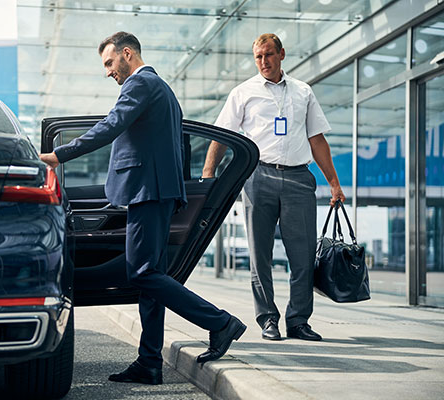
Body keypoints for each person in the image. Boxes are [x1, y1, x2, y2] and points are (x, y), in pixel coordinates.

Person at [39, 32, 246, 385]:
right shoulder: (162, 90)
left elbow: (110, 126)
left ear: (127, 53)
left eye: (109, 63)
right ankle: (149, 361)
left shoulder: (140, 84)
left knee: (143, 274)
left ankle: (220, 322)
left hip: (148, 192)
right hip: (155, 191)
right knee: (151, 279)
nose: (108, 72)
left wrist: (59, 155)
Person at [202, 33, 345, 342]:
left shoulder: (303, 92)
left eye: (268, 55)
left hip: (298, 179)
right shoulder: (243, 92)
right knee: (260, 255)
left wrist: (333, 182)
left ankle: (298, 321)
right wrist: (208, 173)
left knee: (303, 256)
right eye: (258, 57)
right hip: (258, 178)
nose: (263, 61)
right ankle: (268, 319)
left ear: (281, 54)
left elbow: (317, 139)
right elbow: (222, 135)